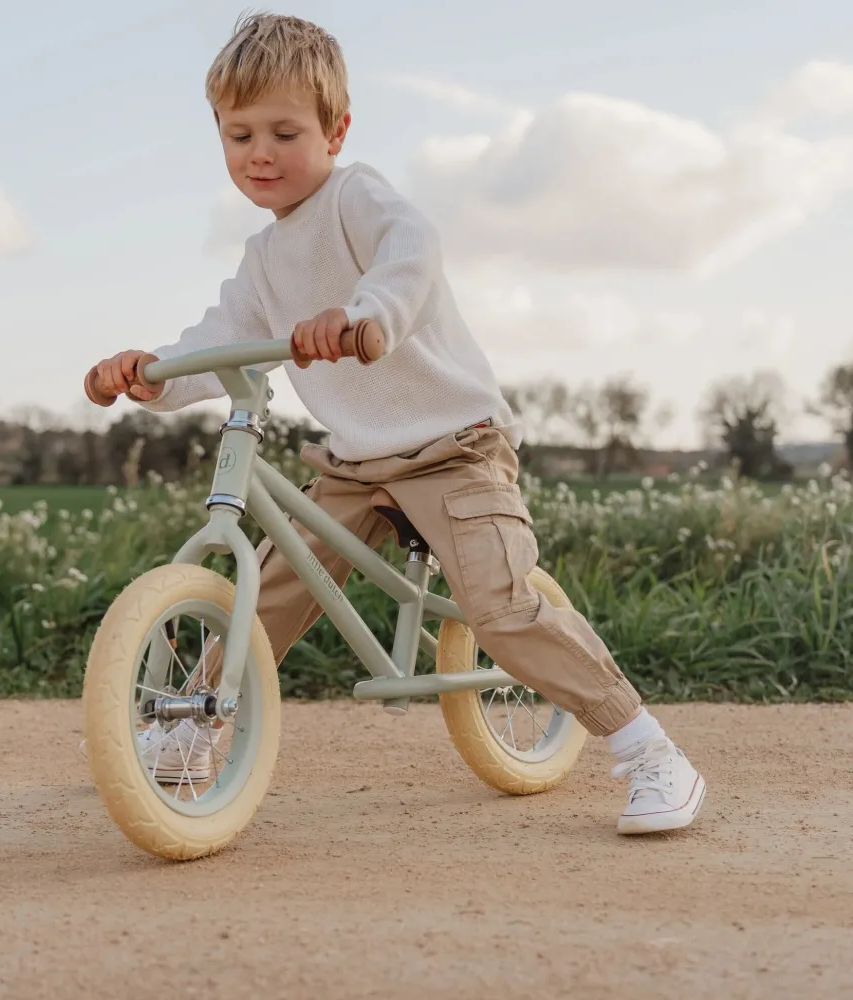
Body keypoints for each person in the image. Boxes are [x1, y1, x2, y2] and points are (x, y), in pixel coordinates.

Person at [85, 12, 706, 835]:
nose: (260, 154)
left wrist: (366, 313)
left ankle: (649, 749)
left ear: (336, 130)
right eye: (239, 136)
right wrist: (147, 377)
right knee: (269, 588)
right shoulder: (264, 259)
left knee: (501, 609)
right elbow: (219, 340)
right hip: (355, 464)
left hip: (453, 447)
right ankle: (194, 728)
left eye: (283, 132)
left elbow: (410, 249)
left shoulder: (357, 197)